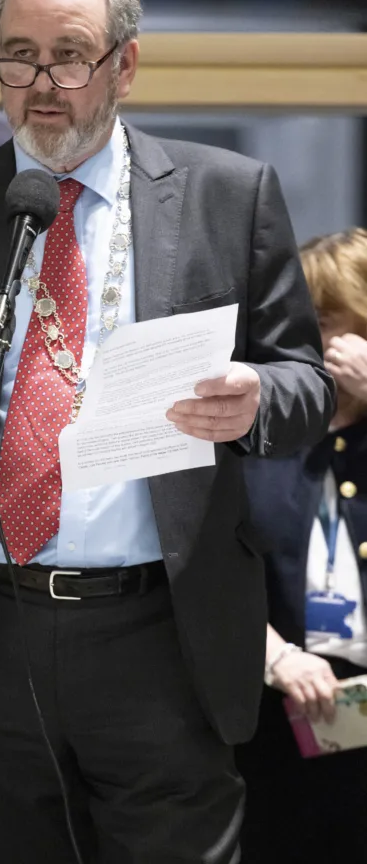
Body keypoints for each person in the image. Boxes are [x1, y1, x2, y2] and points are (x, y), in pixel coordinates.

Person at [0, 0, 334, 864]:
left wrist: (254, 396)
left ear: (125, 64)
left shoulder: (228, 195)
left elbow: (305, 381)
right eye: (17, 56)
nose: (42, 82)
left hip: (162, 636)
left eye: (69, 55)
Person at [237, 227, 367, 862]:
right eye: (303, 320)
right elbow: (210, 571)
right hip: (276, 713)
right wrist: (275, 656)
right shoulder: (259, 430)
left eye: (331, 320)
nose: (313, 340)